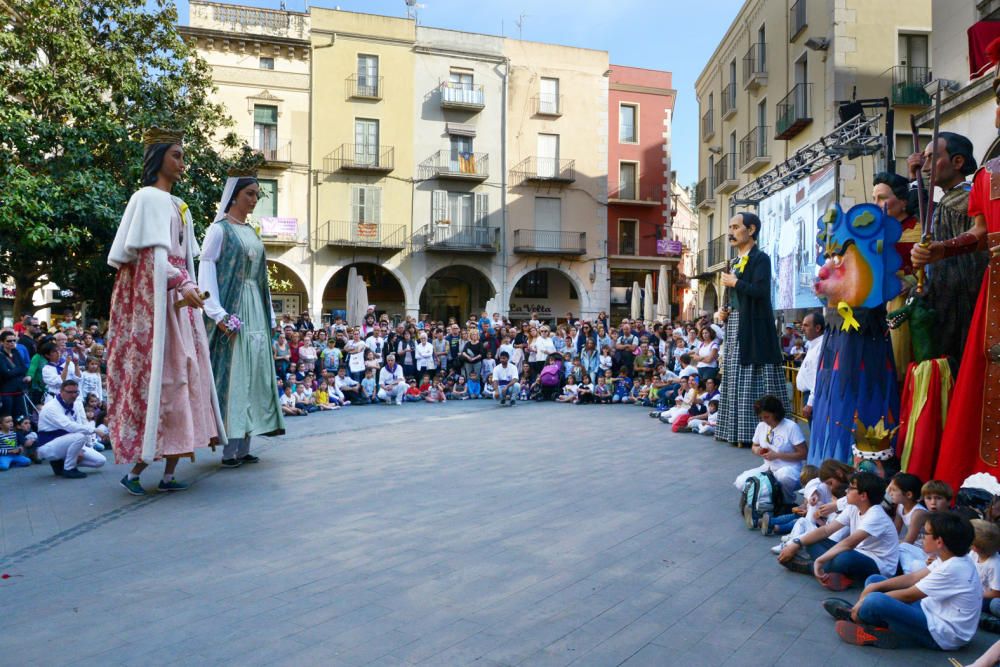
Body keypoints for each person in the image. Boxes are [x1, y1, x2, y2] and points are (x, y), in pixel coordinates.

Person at [106, 128, 224, 495]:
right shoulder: (147, 198)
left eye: (182, 155)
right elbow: (150, 258)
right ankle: (137, 471)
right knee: (164, 381)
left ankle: (170, 472)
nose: (182, 163)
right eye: (176, 155)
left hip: (180, 307)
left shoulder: (179, 206)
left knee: (186, 379)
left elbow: (182, 256)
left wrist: (187, 287)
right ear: (159, 158)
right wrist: (181, 283)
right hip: (159, 305)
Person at [198, 172, 286, 469]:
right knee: (235, 377)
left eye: (256, 194)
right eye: (250, 193)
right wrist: (217, 313)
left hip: (255, 311)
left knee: (254, 376)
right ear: (234, 196)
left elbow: (261, 278)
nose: (254, 199)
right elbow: (207, 271)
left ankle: (245, 443)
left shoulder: (251, 232)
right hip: (233, 309)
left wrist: (270, 313)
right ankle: (228, 449)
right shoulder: (218, 230)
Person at [824, 512, 980, 651]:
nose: (921, 536)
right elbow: (912, 578)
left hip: (943, 634)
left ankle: (857, 618)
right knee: (874, 580)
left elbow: (908, 595)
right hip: (931, 609)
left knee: (875, 599)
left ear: (939, 541)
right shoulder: (950, 557)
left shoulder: (954, 568)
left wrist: (864, 600)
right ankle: (872, 622)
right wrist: (874, 586)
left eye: (925, 533)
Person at [717, 212, 789, 447]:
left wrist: (735, 282)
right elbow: (734, 297)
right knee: (735, 375)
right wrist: (724, 311)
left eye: (736, 227)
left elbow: (760, 291)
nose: (731, 231)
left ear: (751, 230)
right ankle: (735, 431)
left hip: (755, 326)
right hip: (736, 323)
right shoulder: (735, 262)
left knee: (754, 374)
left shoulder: (761, 258)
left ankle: (758, 433)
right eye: (730, 227)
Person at [778, 472, 899, 592]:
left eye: (851, 488)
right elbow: (826, 530)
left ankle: (810, 567)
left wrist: (819, 562)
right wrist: (796, 543)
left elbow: (848, 543)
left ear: (863, 496)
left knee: (844, 558)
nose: (846, 491)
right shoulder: (853, 507)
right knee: (812, 540)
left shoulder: (876, 515)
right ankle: (836, 574)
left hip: (879, 565)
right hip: (857, 552)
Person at [733, 394, 807, 499]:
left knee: (783, 476)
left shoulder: (791, 427)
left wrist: (777, 455)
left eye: (767, 417)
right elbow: (754, 446)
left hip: (790, 469)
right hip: (768, 468)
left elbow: (804, 454)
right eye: (761, 417)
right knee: (741, 481)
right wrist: (758, 450)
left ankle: (787, 501)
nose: (764, 420)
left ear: (776, 413)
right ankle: (769, 501)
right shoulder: (761, 426)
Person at [35, 380, 105, 479]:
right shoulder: (51, 407)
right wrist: (95, 430)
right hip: (48, 445)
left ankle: (62, 464)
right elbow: (69, 426)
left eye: (76, 392)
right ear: (61, 391)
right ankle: (69, 468)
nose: (73, 395)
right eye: (70, 392)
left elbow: (79, 424)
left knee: (100, 461)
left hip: (67, 441)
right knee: (80, 436)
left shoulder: (75, 404)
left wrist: (79, 448)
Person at [796, 311, 825, 420]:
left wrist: (810, 404)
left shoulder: (820, 346)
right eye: (802, 325)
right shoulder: (813, 344)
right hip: (808, 396)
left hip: (813, 398)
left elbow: (817, 378)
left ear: (817, 328)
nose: (802, 328)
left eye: (806, 325)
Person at [0, 330, 30, 419]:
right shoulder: (1, 355)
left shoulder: (16, 352)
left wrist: (13, 370)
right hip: (6, 392)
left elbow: (24, 368)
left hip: (19, 390)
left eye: (14, 340)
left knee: (20, 418)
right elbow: (6, 373)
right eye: (9, 341)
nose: (12, 343)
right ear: (2, 342)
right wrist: (18, 370)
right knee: (7, 418)